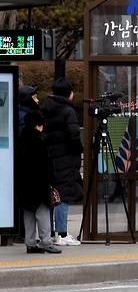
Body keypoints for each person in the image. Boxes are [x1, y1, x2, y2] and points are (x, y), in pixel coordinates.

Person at [42, 77, 82, 246]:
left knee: (52, 194)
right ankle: (63, 234)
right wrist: (78, 150)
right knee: (63, 195)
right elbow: (73, 135)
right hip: (65, 158)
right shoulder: (68, 111)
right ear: (69, 93)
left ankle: (50, 232)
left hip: (49, 156)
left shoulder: (45, 108)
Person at [18, 111, 61, 254]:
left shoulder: (21, 139)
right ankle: (45, 242)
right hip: (39, 184)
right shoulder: (39, 141)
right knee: (43, 212)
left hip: (24, 184)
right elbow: (46, 165)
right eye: (41, 125)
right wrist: (52, 181)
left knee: (28, 213)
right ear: (37, 125)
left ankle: (30, 244)